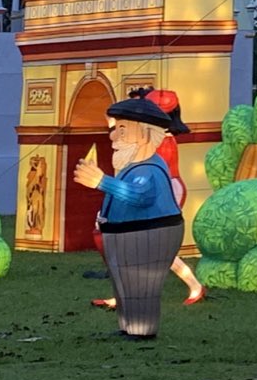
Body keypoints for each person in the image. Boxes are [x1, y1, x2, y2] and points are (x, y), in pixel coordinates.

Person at [74, 92, 188, 339]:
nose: (113, 136)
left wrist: (102, 181)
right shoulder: (133, 167)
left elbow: (141, 196)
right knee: (124, 283)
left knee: (140, 284)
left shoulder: (149, 169)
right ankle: (127, 325)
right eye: (115, 129)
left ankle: (142, 330)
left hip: (147, 234)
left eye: (122, 129)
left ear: (146, 134)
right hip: (126, 236)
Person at [94, 88, 205, 310]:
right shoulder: (155, 137)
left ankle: (193, 285)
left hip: (162, 190)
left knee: (152, 245)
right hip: (158, 187)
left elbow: (142, 174)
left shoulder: (157, 140)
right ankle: (124, 293)